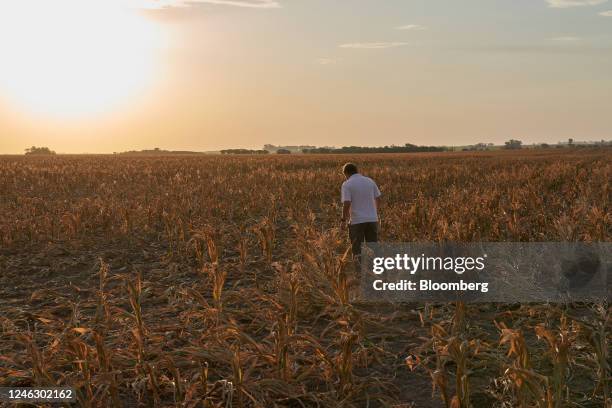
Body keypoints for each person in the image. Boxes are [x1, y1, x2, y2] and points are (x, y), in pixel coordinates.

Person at [340, 163, 381, 263]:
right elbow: (378, 197)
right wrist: (374, 212)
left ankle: (359, 273)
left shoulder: (347, 184)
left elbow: (347, 203)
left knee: (357, 248)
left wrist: (343, 220)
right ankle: (376, 270)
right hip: (372, 219)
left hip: (357, 221)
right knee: (373, 247)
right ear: (356, 171)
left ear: (346, 173)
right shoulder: (370, 181)